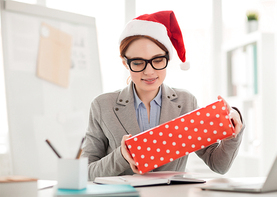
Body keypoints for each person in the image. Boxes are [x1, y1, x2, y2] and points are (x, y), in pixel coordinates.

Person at [81, 10, 244, 181]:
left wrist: (233, 130)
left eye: (158, 60)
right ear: (125, 63)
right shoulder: (102, 106)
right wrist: (121, 156)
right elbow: (86, 172)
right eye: (137, 62)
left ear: (167, 58)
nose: (149, 71)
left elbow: (218, 165)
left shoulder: (186, 101)